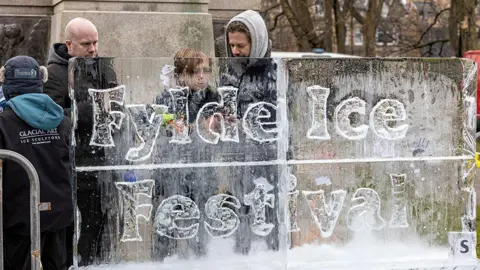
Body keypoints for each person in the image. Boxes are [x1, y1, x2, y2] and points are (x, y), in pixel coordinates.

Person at [43, 18, 116, 267]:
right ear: (69, 45)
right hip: (70, 162)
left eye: (96, 42)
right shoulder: (53, 74)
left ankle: (94, 263)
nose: (93, 49)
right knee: (70, 225)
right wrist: (91, 110)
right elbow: (53, 116)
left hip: (102, 158)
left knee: (99, 222)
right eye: (86, 44)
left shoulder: (103, 67)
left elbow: (117, 104)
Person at [0, 55, 72, 270]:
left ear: (6, 84)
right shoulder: (63, 121)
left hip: (18, 218)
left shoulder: (3, 124)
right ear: (41, 81)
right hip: (59, 216)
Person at [222, 10, 279, 255]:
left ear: (257, 43)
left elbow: (280, 119)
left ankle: (273, 256)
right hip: (237, 157)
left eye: (241, 45)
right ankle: (240, 258)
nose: (235, 51)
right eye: (231, 45)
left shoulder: (275, 74)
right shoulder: (228, 72)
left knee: (269, 211)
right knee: (241, 211)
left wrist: (245, 121)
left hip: (268, 159)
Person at [154, 48, 220, 260]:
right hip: (171, 169)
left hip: (202, 169)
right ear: (181, 74)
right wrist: (176, 124)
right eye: (195, 71)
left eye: (206, 70)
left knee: (201, 225)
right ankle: (165, 260)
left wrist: (218, 123)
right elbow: (158, 121)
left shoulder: (213, 96)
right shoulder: (167, 96)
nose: (201, 76)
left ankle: (201, 259)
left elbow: (218, 126)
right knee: (168, 223)